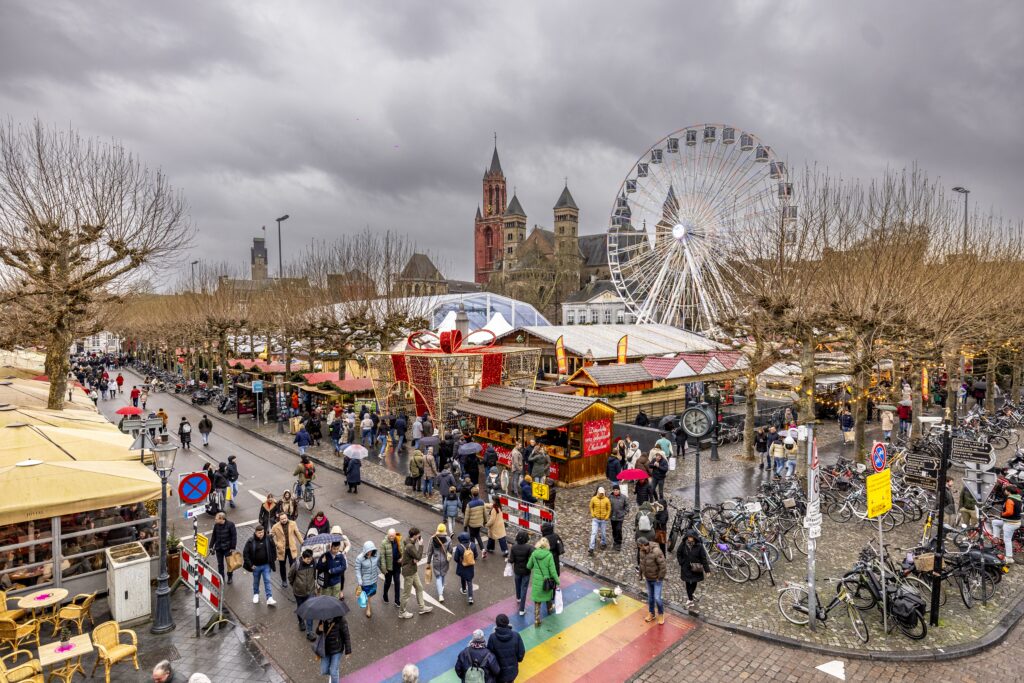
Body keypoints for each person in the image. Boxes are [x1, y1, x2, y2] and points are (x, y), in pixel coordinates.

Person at [399, 527, 433, 618]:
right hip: (409, 572)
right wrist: (421, 545)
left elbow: (410, 555)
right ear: (414, 536)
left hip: (413, 570)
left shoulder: (408, 540)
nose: (419, 536)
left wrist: (413, 559)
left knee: (419, 588)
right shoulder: (410, 546)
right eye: (418, 535)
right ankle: (402, 612)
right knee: (406, 593)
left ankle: (422, 607)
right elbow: (418, 557)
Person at [526, 537, 558, 627]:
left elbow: (528, 566)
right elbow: (553, 571)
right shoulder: (549, 555)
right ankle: (550, 609)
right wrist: (557, 580)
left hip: (537, 583)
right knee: (548, 596)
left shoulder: (534, 554)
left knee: (537, 601)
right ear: (547, 545)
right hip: (546, 581)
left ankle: (537, 620)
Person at [242, 525, 277, 606]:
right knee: (256, 581)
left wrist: (274, 558)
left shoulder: (268, 538)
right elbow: (245, 553)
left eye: (262, 532)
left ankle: (269, 597)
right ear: (255, 532)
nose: (261, 534)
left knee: (267, 580)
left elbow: (273, 548)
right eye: (259, 533)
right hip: (256, 566)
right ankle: (256, 594)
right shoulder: (251, 541)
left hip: (266, 565)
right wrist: (250, 565)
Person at [676, 529, 710, 609]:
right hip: (686, 567)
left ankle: (691, 594)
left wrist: (707, 570)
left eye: (691, 537)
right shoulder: (683, 544)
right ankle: (690, 600)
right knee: (688, 583)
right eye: (688, 537)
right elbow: (678, 553)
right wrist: (681, 562)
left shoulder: (699, 546)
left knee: (694, 582)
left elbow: (703, 558)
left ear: (694, 537)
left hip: (696, 568)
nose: (689, 538)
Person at [289, 549, 318, 640]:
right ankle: (301, 621)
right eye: (307, 559)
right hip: (299, 592)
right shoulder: (297, 564)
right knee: (300, 608)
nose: (309, 560)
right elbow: (290, 576)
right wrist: (295, 585)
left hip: (310, 591)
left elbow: (314, 574)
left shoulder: (314, 562)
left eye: (310, 558)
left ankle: (310, 632)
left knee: (310, 610)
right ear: (303, 557)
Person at [487, 613, 525, 683]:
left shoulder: (492, 637)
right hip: (512, 671)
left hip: (498, 671)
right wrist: (518, 660)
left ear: (497, 624)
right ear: (507, 622)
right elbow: (521, 653)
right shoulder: (516, 635)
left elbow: (489, 655)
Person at [316, 613, 352, 683]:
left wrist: (348, 651)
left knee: (333, 671)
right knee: (324, 670)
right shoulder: (323, 619)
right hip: (326, 649)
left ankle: (334, 674)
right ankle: (333, 674)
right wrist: (319, 628)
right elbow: (317, 632)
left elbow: (346, 635)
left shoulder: (341, 620)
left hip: (337, 649)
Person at [638, 537, 667, 624]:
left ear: (643, 545)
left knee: (657, 598)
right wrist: (640, 574)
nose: (639, 547)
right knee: (650, 597)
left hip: (656, 579)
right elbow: (641, 563)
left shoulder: (656, 551)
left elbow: (663, 566)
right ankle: (652, 613)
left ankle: (661, 614)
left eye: (639, 546)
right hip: (648, 578)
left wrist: (659, 578)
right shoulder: (642, 551)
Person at [992, 486, 1022, 563]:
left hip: (1011, 523)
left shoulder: (1010, 499)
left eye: (1005, 490)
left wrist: (1002, 514)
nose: (1004, 492)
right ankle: (996, 538)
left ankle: (1009, 558)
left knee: (1007, 540)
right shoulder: (1018, 498)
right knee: (995, 522)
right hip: (1015, 521)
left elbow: (1009, 512)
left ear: (1008, 491)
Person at [272, 512, 304, 584]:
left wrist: (303, 543)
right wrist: (277, 544)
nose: (284, 520)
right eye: (282, 519)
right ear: (279, 519)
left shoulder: (293, 523)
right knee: (282, 566)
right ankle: (284, 580)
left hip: (291, 548)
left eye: (285, 518)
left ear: (287, 517)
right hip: (281, 549)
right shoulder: (275, 526)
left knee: (293, 565)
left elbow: (297, 534)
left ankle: (293, 579)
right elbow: (271, 536)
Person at [509, 531, 533, 616]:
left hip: (517, 570)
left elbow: (511, 560)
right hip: (526, 571)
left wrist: (508, 560)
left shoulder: (514, 547)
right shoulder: (529, 548)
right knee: (524, 589)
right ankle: (522, 609)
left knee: (517, 584)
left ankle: (518, 598)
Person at [452, 531, 480, 604]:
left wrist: (460, 561)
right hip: (470, 566)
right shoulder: (473, 545)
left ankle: (464, 589)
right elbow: (476, 555)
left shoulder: (459, 547)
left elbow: (455, 558)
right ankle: (470, 597)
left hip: (462, 565)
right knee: (469, 581)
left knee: (463, 577)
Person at [426, 523, 451, 603]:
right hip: (445, 560)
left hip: (436, 560)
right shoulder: (448, 539)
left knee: (438, 577)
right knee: (443, 574)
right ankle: (442, 587)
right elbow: (450, 550)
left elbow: (429, 552)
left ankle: (440, 595)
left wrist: (428, 562)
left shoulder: (432, 539)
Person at [354, 540, 380, 618]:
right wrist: (359, 580)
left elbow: (378, 564)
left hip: (374, 579)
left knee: (371, 593)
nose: (370, 552)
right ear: (365, 550)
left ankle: (367, 600)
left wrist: (382, 571)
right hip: (365, 581)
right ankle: (368, 608)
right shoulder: (359, 558)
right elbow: (357, 569)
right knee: (367, 595)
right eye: (368, 550)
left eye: (371, 550)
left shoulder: (375, 556)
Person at [379, 528, 403, 607]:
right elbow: (382, 557)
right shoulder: (384, 543)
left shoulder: (399, 540)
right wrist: (384, 569)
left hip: (397, 566)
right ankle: (385, 594)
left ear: (395, 534)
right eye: (390, 536)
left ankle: (397, 600)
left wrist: (402, 558)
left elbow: (402, 550)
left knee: (397, 583)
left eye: (393, 536)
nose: (391, 537)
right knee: (388, 583)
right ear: (387, 535)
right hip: (388, 568)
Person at [211, 512, 237, 585]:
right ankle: (221, 578)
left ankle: (230, 577)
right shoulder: (216, 525)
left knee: (229, 564)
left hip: (228, 548)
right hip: (219, 548)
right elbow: (213, 536)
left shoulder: (230, 525)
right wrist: (211, 546)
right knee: (220, 564)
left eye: (216, 519)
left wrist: (233, 547)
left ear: (221, 519)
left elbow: (234, 536)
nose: (215, 520)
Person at [464, 487, 487, 556]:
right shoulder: (482, 502)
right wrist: (485, 521)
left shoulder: (469, 504)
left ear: (472, 494)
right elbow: (485, 513)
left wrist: (465, 525)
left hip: (472, 524)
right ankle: (483, 549)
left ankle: (473, 552)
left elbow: (467, 516)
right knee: (478, 535)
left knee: (472, 537)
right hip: (479, 523)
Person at [588, 486, 611, 554]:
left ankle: (603, 543)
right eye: (600, 493)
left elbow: (609, 509)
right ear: (598, 492)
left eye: (602, 493)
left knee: (603, 533)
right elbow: (591, 507)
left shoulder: (607, 500)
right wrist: (592, 514)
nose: (601, 494)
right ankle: (591, 547)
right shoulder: (593, 499)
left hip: (603, 520)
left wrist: (607, 516)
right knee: (593, 533)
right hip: (595, 519)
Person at [609, 484, 629, 550]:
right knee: (614, 529)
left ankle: (619, 542)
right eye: (614, 490)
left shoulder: (623, 497)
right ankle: (615, 540)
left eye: (617, 490)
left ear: (619, 490)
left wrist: (624, 512)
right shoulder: (610, 497)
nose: (615, 491)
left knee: (618, 529)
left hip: (620, 517)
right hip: (612, 516)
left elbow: (627, 505)